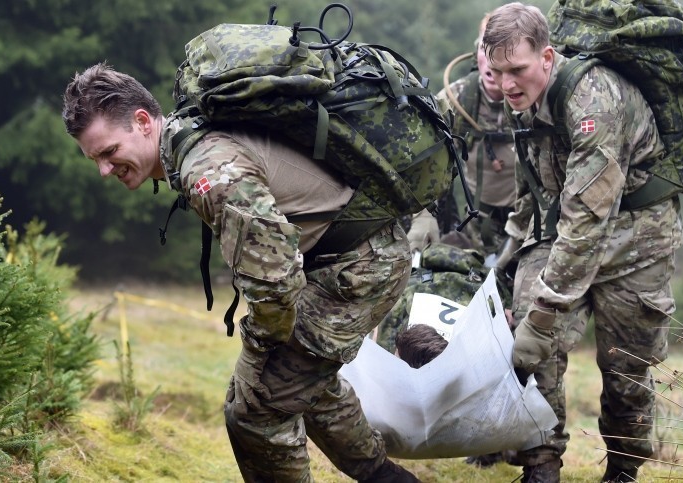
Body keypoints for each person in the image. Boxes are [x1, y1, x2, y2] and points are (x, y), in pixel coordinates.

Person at [61, 63, 420, 482]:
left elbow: (274, 280)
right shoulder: (192, 140)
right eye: (95, 160)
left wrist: (261, 339)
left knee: (256, 409)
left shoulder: (206, 169)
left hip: (359, 267)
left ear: (142, 122)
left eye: (108, 152)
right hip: (354, 258)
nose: (105, 169)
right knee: (300, 385)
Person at [482, 3, 683, 482]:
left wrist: (547, 313)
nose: (508, 84)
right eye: (497, 71)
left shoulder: (595, 102)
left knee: (625, 371)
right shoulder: (525, 101)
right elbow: (534, 185)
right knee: (531, 340)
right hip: (567, 233)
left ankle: (623, 469)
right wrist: (511, 251)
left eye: (518, 70)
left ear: (547, 58)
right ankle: (541, 465)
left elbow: (587, 220)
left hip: (638, 241)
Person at [407, 12, 517, 262]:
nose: (491, 61)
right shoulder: (457, 98)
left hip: (531, 227)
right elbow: (425, 159)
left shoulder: (534, 100)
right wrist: (423, 215)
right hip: (475, 229)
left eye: (502, 51)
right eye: (484, 48)